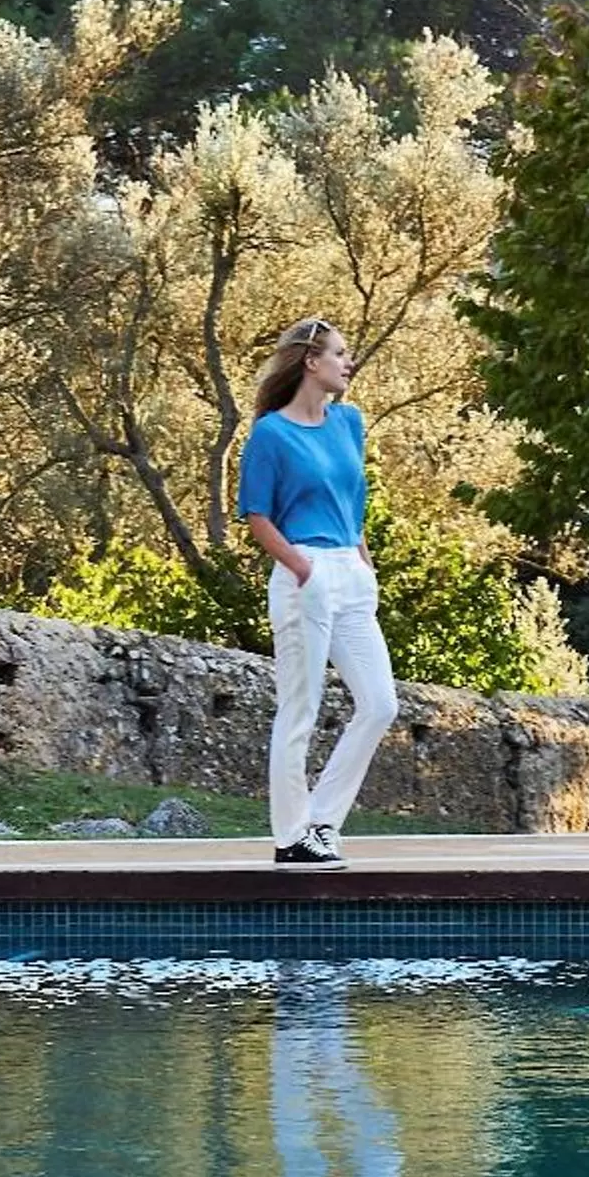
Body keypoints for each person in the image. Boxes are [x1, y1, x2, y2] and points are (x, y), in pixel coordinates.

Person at [239, 317, 396, 867]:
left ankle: (322, 822)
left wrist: (363, 564)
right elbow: (256, 515)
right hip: (304, 573)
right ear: (311, 362)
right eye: (339, 353)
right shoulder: (270, 434)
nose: (347, 363)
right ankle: (291, 837)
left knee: (380, 703)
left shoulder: (348, 423)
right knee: (299, 709)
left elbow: (353, 506)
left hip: (351, 573)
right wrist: (302, 568)